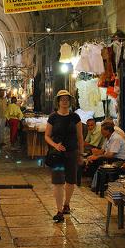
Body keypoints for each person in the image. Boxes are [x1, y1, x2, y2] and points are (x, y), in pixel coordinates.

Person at [45, 90, 84, 223]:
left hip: (72, 152)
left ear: (70, 101)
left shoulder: (75, 118)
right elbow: (47, 136)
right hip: (57, 155)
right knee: (58, 182)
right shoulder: (53, 117)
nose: (65, 101)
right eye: (62, 99)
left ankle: (67, 204)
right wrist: (55, 145)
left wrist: (81, 154)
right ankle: (59, 210)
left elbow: (80, 137)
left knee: (71, 181)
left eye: (67, 99)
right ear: (58, 101)